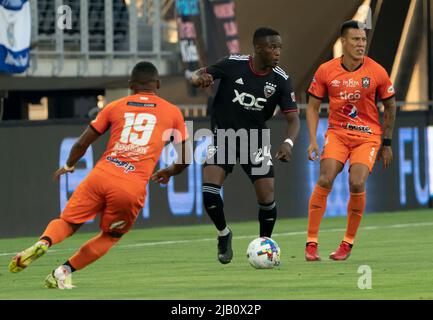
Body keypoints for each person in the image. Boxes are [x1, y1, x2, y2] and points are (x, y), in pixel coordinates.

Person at [8, 61, 191, 288]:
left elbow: (82, 143)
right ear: (159, 84)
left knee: (68, 222)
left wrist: (69, 165)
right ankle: (62, 271)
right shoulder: (172, 112)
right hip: (130, 187)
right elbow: (185, 157)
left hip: (101, 175)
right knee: (110, 236)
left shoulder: (115, 107)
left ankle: (44, 242)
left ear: (130, 85)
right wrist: (171, 171)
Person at [191, 27, 300, 264]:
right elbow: (197, 73)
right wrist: (198, 78)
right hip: (224, 137)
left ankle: (265, 245)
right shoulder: (232, 64)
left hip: (256, 141)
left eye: (280, 47)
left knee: (267, 198)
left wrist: (288, 143)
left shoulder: (281, 79)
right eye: (273, 47)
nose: (278, 52)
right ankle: (223, 234)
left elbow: (293, 119)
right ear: (258, 48)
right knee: (209, 192)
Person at [305, 20, 397, 261]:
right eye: (356, 39)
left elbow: (390, 105)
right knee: (325, 178)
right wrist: (313, 140)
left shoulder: (376, 71)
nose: (361, 44)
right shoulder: (326, 70)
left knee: (356, 183)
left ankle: (347, 243)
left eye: (363, 40)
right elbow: (313, 106)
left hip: (368, 137)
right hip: (337, 133)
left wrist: (387, 143)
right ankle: (311, 243)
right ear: (343, 42)